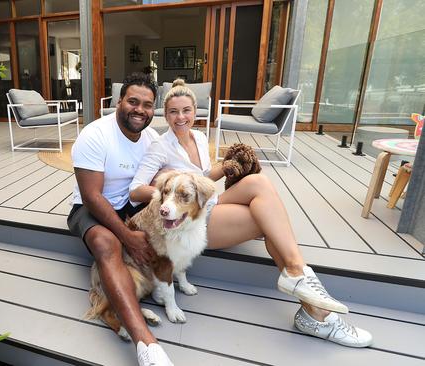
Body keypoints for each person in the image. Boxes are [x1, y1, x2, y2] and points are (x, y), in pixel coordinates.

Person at [129, 79, 373, 349]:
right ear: (166, 113)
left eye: (186, 110)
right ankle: (315, 310)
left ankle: (296, 274)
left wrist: (226, 167)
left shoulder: (198, 137)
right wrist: (167, 184)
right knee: (265, 219)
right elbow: (135, 190)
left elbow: (204, 177)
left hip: (207, 205)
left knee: (259, 184)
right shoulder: (160, 147)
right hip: (190, 221)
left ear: (195, 111)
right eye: (173, 112)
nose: (180, 117)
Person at [68, 72, 174, 366]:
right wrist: (127, 236)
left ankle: (125, 301)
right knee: (106, 243)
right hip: (90, 207)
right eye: (133, 101)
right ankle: (147, 346)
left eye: (148, 105)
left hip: (131, 206)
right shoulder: (95, 134)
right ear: (119, 102)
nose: (140, 110)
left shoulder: (152, 139)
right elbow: (91, 196)